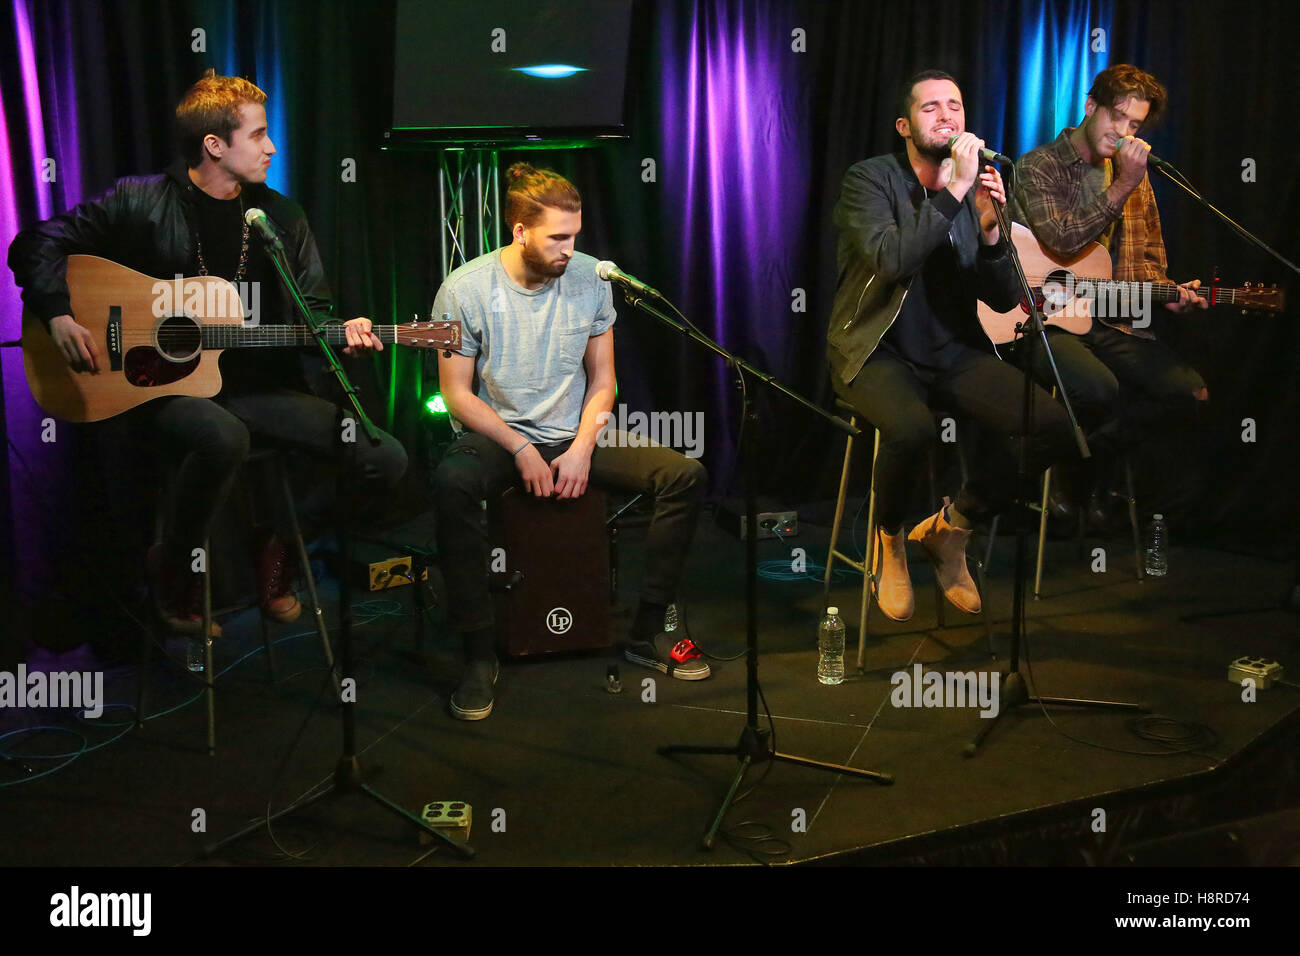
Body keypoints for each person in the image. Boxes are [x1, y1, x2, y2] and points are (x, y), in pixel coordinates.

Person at [8, 70, 406, 635]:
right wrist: (59, 313)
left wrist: (345, 333)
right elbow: (36, 243)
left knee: (383, 456)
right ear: (214, 145)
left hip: (258, 391)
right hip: (158, 388)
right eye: (259, 135)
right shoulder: (142, 200)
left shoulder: (280, 218)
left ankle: (281, 546)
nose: (272, 147)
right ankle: (174, 567)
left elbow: (315, 312)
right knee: (223, 436)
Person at [432, 163, 709, 721]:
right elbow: (458, 396)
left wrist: (582, 445)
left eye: (575, 235)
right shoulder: (464, 289)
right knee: (452, 482)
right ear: (520, 232)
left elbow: (604, 380)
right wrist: (520, 448)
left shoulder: (592, 279)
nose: (569, 249)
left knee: (684, 474)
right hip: (499, 434)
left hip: (575, 430)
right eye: (558, 237)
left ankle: (647, 631)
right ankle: (478, 653)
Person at [826, 69, 1075, 622]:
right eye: (930, 107)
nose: (947, 116)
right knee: (911, 427)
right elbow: (892, 260)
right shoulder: (869, 180)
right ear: (904, 125)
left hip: (951, 349)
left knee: (1053, 425)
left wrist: (990, 231)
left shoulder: (975, 186)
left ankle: (950, 529)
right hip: (874, 349)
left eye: (955, 106)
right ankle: (888, 538)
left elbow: (1006, 294)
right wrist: (956, 190)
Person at [1010, 64, 1207, 524]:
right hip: (1047, 318)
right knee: (1098, 388)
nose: (1122, 132)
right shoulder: (1040, 166)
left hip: (1115, 317)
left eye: (1134, 125)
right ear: (1090, 106)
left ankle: (1084, 462)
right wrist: (1122, 185)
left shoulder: (1134, 179)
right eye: (1116, 116)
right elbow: (1061, 240)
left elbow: (1149, 261)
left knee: (1187, 394)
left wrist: (1168, 295)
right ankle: (1065, 469)